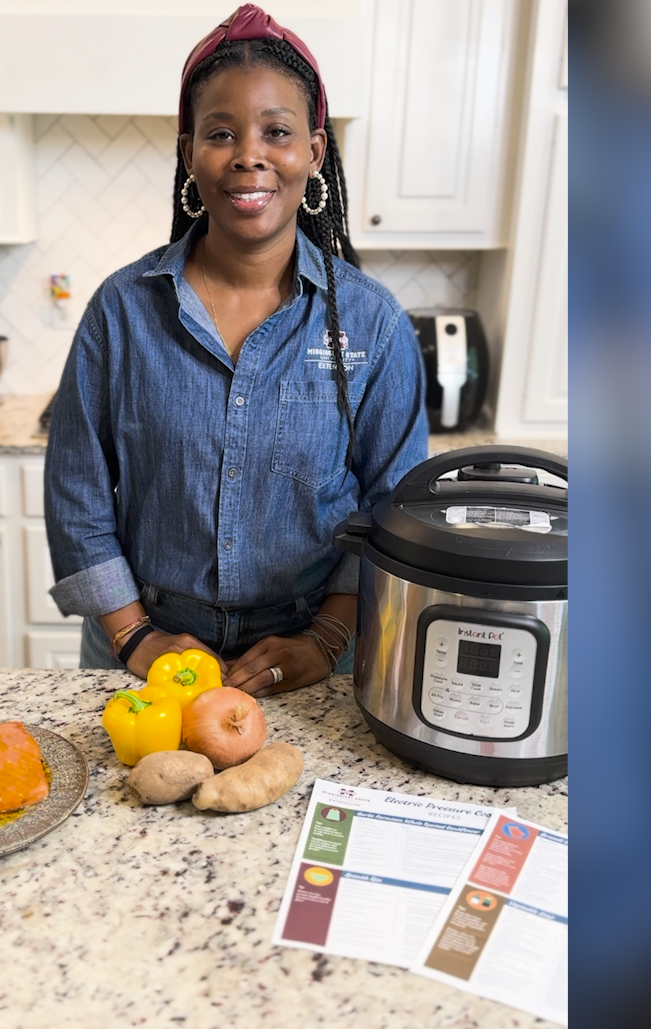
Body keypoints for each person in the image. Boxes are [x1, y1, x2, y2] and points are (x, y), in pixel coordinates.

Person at [43, 4, 427, 694]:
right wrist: (131, 633)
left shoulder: (373, 323)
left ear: (313, 151)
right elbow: (77, 490)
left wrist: (330, 637)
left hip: (316, 655)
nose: (250, 153)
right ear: (190, 152)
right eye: (221, 132)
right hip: (141, 650)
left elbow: (391, 505)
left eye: (277, 131)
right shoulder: (122, 311)